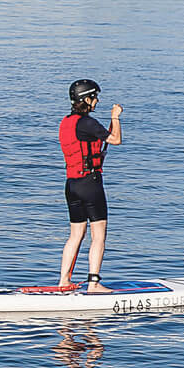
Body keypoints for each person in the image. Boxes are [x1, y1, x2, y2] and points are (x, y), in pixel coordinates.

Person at [58, 79, 123, 292]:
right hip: (90, 185)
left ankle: (64, 281)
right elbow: (115, 140)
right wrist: (115, 117)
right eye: (94, 97)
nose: (97, 101)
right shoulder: (88, 123)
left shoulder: (66, 122)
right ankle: (94, 283)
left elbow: (87, 145)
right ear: (86, 99)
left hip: (71, 185)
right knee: (99, 235)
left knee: (76, 235)